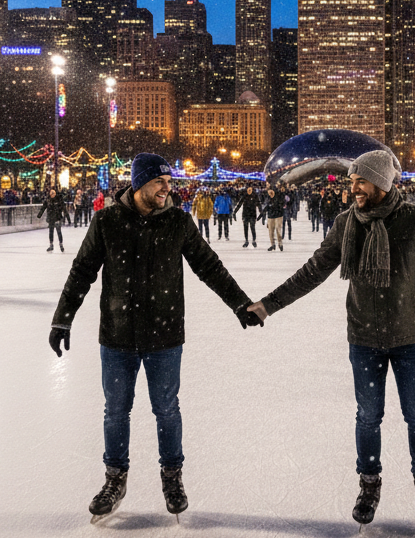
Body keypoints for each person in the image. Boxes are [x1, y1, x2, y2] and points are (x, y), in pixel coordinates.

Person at [246, 150, 415, 530]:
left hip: (409, 338)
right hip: (364, 338)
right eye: (352, 181)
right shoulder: (346, 224)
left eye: (361, 181)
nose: (353, 187)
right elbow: (313, 271)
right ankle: (369, 485)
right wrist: (268, 305)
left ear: (382, 183)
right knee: (368, 417)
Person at [47, 153, 261, 524]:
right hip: (117, 335)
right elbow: (82, 271)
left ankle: (172, 476)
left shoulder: (178, 222)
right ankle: (115, 478)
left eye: (168, 181)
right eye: (159, 181)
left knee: (166, 409)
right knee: (116, 411)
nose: (167, 188)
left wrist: (240, 303)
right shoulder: (107, 221)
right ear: (140, 183)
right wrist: (62, 320)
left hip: (165, 335)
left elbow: (209, 266)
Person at [37, 188, 70, 252]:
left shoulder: (59, 199)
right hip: (51, 218)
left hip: (57, 217)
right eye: (51, 193)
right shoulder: (48, 200)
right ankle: (51, 245)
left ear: (55, 193)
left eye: (53, 193)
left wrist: (68, 218)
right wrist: (39, 215)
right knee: (51, 231)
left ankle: (61, 244)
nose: (52, 194)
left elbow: (64, 209)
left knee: (58, 231)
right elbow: (43, 207)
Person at [263, 187, 285, 251]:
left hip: (278, 216)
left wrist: (279, 208)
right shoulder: (268, 198)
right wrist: (262, 215)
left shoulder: (279, 196)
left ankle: (280, 243)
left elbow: (282, 203)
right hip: (270, 216)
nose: (270, 194)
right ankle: (272, 245)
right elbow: (266, 207)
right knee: (270, 231)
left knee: (278, 230)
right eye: (269, 193)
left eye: (271, 192)